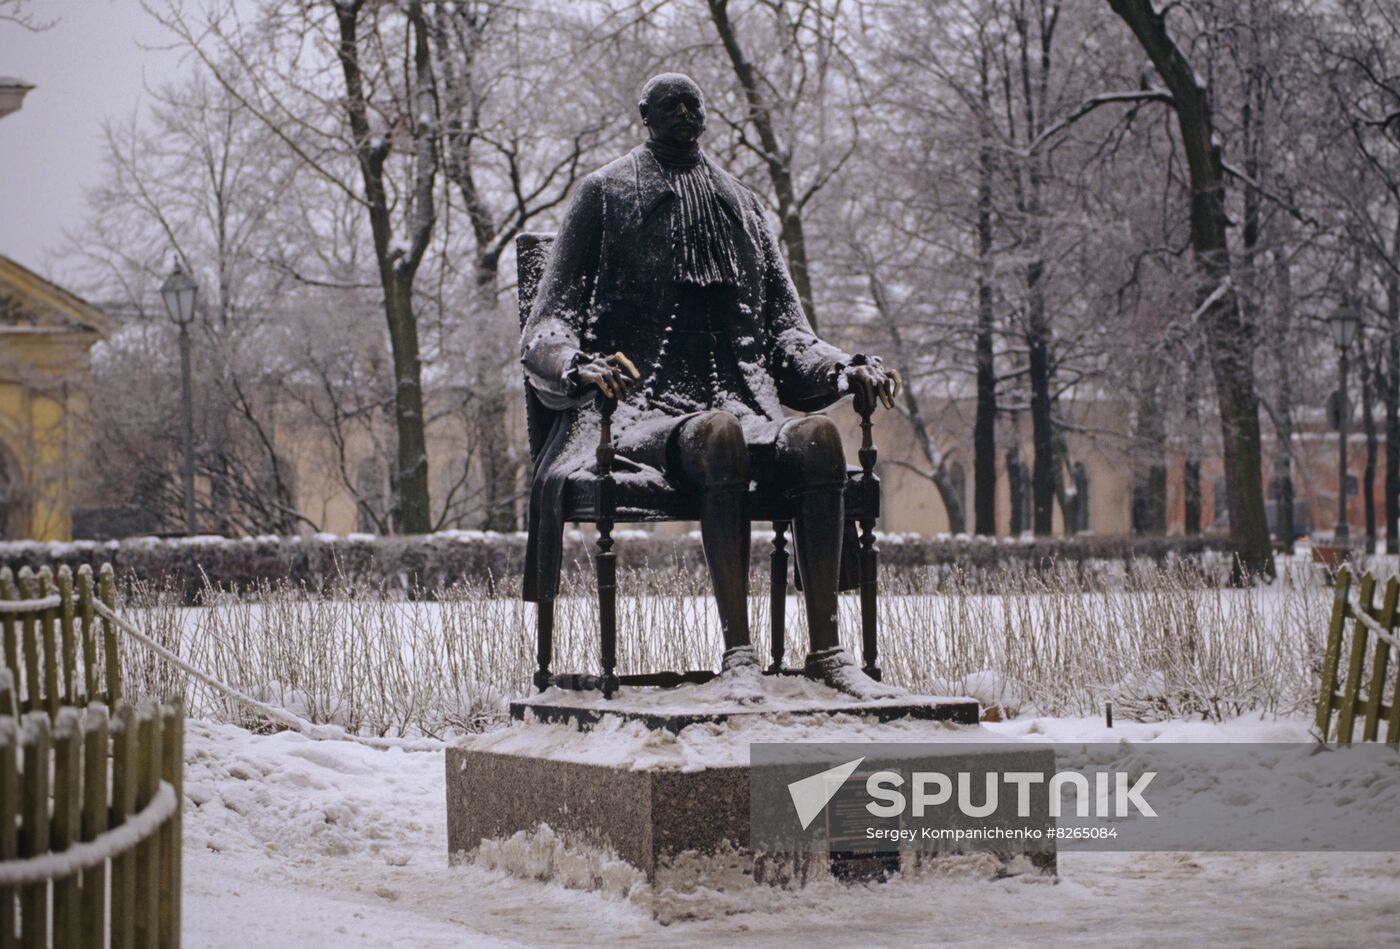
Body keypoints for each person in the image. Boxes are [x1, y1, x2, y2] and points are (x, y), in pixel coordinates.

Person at [522, 73, 901, 700]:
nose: (683, 112)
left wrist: (842, 368)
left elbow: (786, 333)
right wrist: (575, 363)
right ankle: (740, 654)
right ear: (644, 114)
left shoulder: (743, 206)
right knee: (717, 435)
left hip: (742, 405)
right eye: (669, 104)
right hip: (639, 416)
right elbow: (548, 323)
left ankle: (830, 653)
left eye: (692, 103)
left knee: (816, 438)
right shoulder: (605, 194)